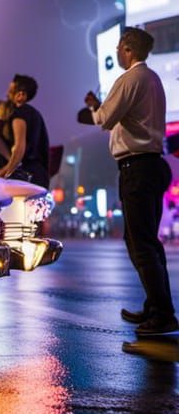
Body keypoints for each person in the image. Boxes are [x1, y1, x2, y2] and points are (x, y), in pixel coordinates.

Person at [82, 26, 177, 336]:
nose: (117, 54)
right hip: (152, 165)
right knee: (145, 241)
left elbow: (105, 119)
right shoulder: (153, 79)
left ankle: (162, 314)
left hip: (136, 168)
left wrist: (95, 107)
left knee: (141, 243)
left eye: (120, 48)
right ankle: (156, 306)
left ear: (127, 49)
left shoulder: (129, 79)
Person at [0, 74, 50, 187]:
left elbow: (19, 148)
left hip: (27, 176)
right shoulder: (35, 114)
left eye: (10, 90)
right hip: (39, 175)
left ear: (21, 95)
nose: (7, 94)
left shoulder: (20, 113)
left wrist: (7, 174)